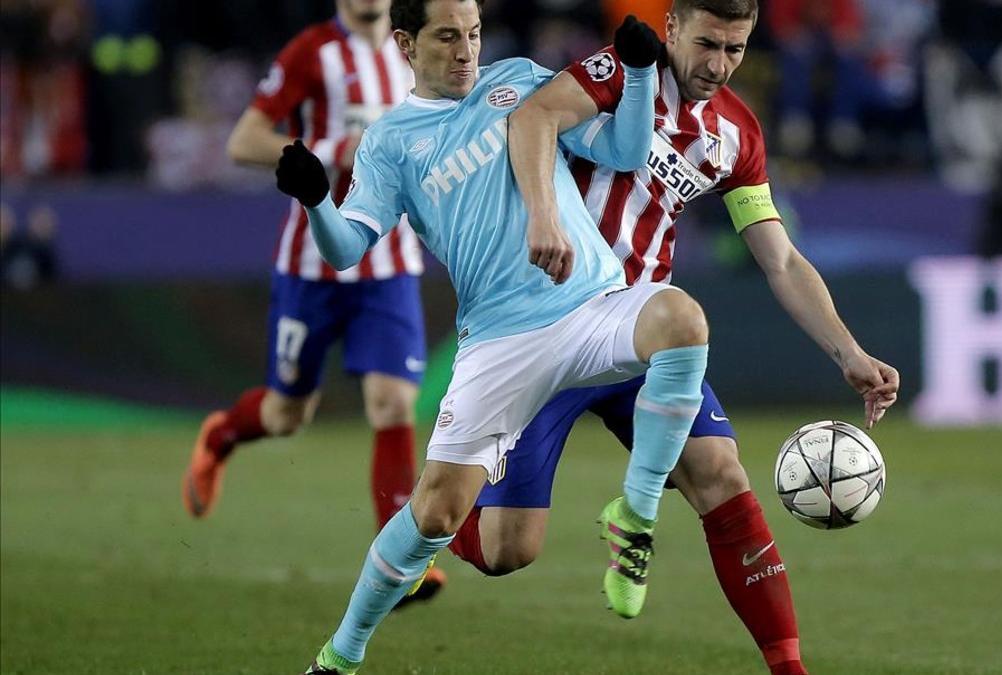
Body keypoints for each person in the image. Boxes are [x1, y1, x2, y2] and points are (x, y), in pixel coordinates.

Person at [446, 1, 901, 673]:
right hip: (544, 326)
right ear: (672, 31)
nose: (719, 65)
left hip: (637, 333)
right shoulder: (617, 74)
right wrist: (543, 214)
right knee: (508, 549)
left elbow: (779, 257)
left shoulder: (736, 134)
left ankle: (788, 666)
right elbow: (535, 115)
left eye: (737, 50)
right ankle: (437, 501)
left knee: (720, 472)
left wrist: (848, 351)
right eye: (708, 44)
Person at [279, 3, 693, 673]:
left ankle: (635, 515)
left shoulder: (521, 80)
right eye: (448, 36)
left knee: (682, 320)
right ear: (407, 43)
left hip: (591, 304)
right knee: (442, 516)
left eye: (472, 33)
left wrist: (641, 72)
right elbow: (347, 249)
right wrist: (317, 202)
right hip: (500, 343)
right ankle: (340, 655)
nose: (466, 50)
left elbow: (621, 149)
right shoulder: (391, 142)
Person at [178, 0, 446, 602]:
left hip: (389, 261)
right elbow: (243, 141)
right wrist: (326, 155)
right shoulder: (312, 52)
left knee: (392, 400)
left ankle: (400, 565)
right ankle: (222, 434)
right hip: (314, 263)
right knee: (286, 414)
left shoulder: (420, 49)